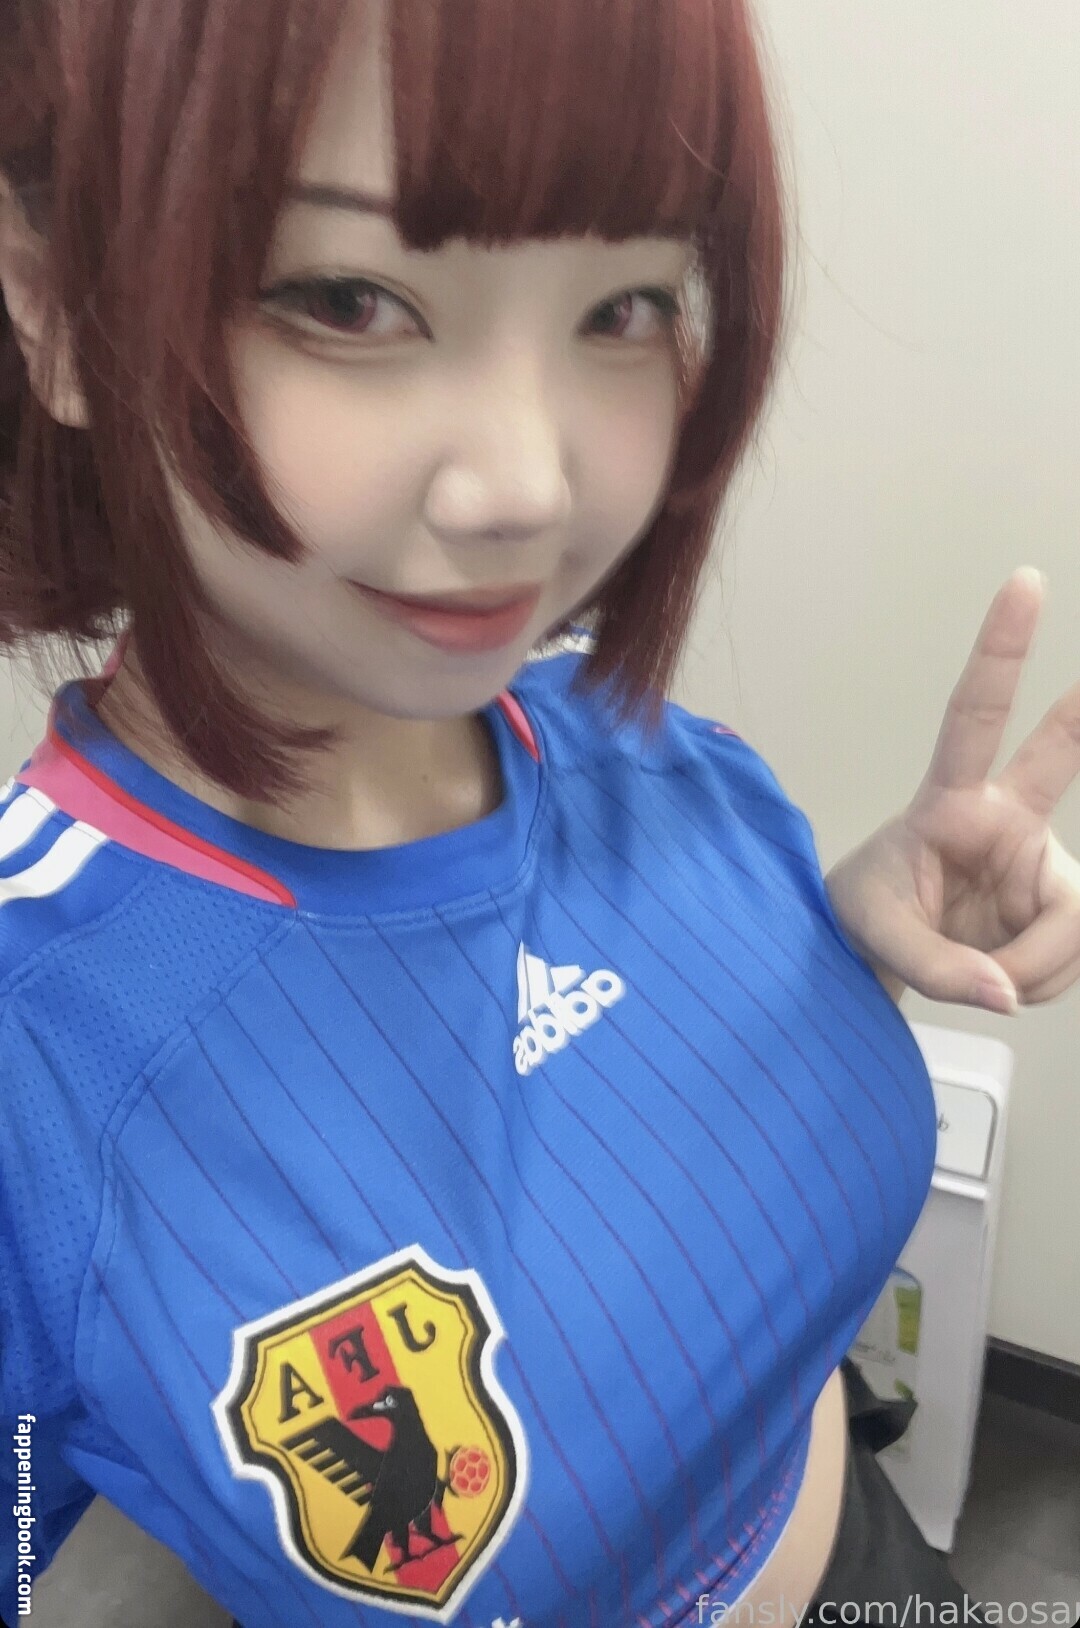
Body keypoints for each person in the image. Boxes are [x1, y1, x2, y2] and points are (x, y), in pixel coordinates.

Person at [2, 1, 1079, 1625]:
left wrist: (826, 947)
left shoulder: (636, 741)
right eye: (350, 299)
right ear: (51, 300)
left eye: (623, 306)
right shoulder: (39, 1050)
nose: (530, 484)